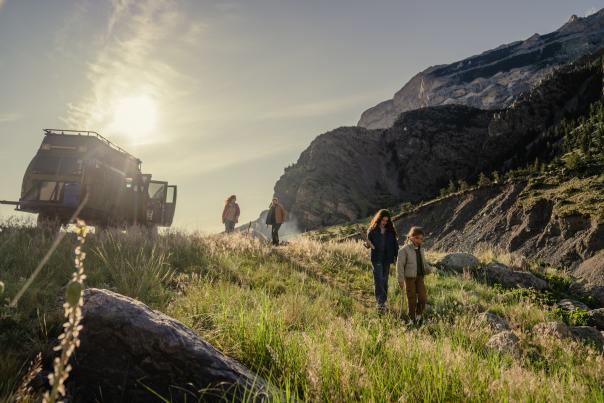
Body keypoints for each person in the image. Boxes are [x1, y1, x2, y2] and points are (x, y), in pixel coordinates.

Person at [396, 226, 433, 324]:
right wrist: (400, 280)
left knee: (423, 298)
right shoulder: (404, 250)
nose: (419, 240)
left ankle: (418, 315)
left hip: (420, 277)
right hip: (409, 278)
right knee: (411, 299)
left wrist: (430, 269)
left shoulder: (421, 250)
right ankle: (411, 319)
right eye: (417, 238)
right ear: (410, 237)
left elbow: (423, 263)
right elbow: (399, 266)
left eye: (421, 239)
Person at [366, 209, 399, 313]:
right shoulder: (372, 231)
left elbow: (395, 245)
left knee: (384, 280)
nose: (384, 222)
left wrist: (396, 256)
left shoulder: (390, 231)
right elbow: (369, 243)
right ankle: (380, 303)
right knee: (378, 279)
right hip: (376, 258)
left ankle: (383, 301)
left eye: (386, 220)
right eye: (383, 220)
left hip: (387, 258)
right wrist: (367, 245)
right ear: (378, 219)